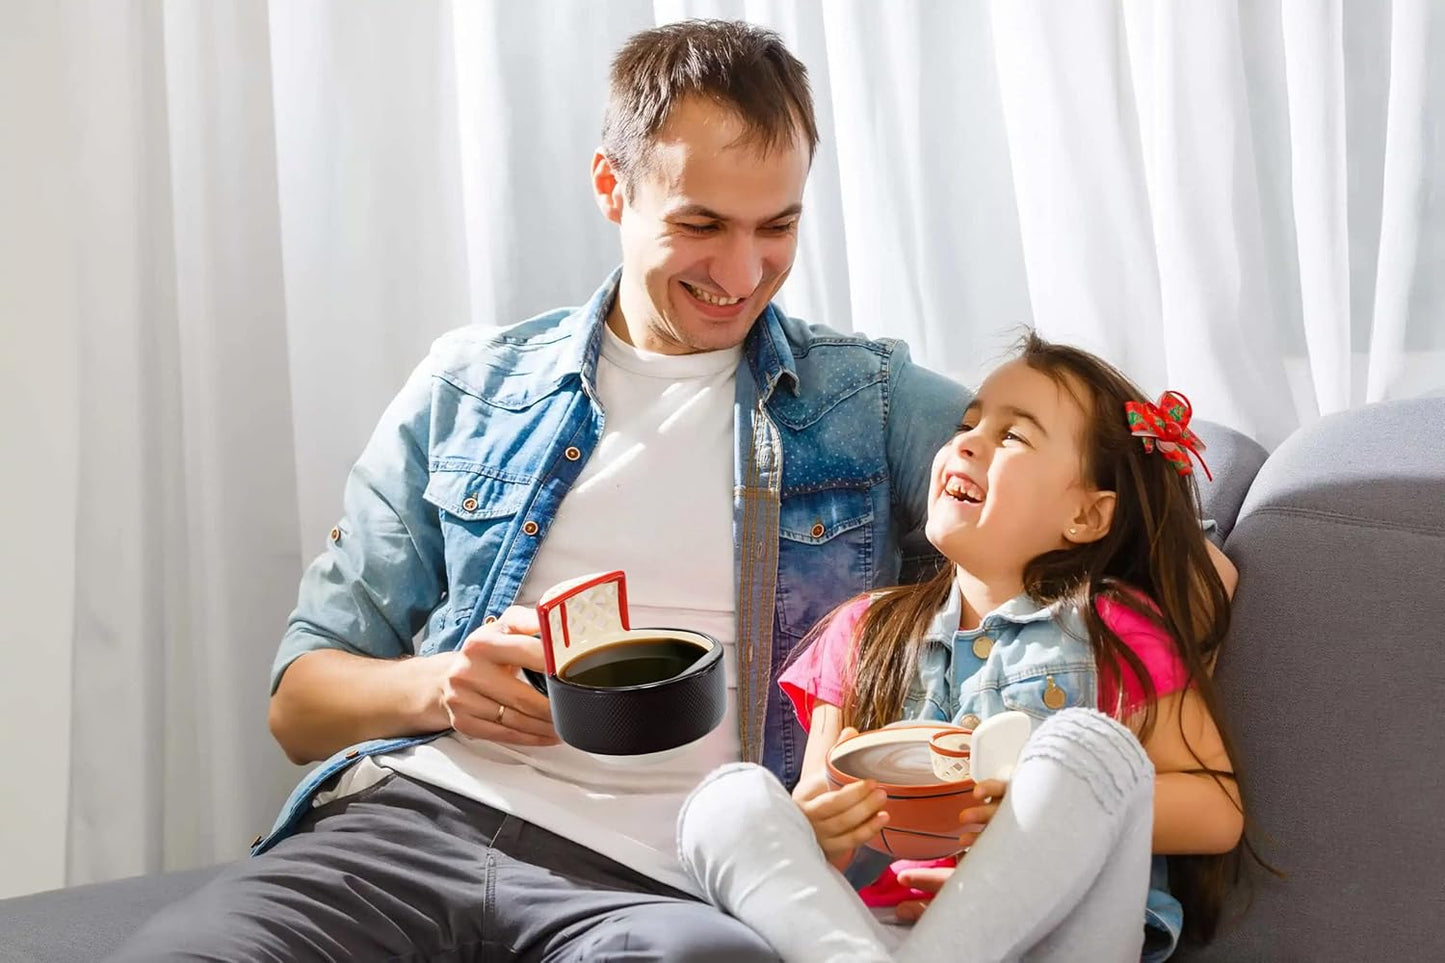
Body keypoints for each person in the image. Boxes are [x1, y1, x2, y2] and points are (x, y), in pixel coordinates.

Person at [109, 19, 976, 962]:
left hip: (667, 882)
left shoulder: (870, 406)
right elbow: (300, 703)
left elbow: (1100, 489)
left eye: (776, 226)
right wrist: (444, 686)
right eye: (699, 225)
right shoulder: (470, 387)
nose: (740, 272)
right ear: (611, 185)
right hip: (415, 829)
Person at [677, 334, 1246, 962]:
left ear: (1086, 516)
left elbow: (1217, 809)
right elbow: (823, 822)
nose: (967, 441)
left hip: (1058, 934)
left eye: (1013, 436)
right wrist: (815, 829)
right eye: (969, 424)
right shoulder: (862, 633)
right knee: (728, 802)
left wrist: (1025, 824)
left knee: (1084, 750)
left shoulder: (1114, 626)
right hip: (881, 932)